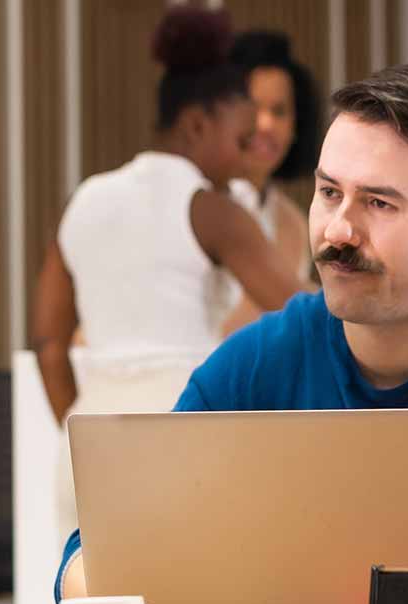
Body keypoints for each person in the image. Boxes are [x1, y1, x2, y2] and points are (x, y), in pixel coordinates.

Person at [57, 63, 408, 604]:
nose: (338, 230)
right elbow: (99, 552)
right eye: (329, 192)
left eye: (379, 203)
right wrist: (104, 577)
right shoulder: (260, 358)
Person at [32, 5, 304, 426]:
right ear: (197, 125)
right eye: (242, 139)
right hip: (183, 427)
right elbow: (304, 310)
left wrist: (76, 428)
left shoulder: (82, 200)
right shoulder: (212, 211)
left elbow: (50, 345)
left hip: (88, 433)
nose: (249, 156)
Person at [220, 28, 323, 334]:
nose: (265, 124)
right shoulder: (193, 205)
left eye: (279, 111)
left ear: (296, 125)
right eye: (253, 107)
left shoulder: (293, 222)